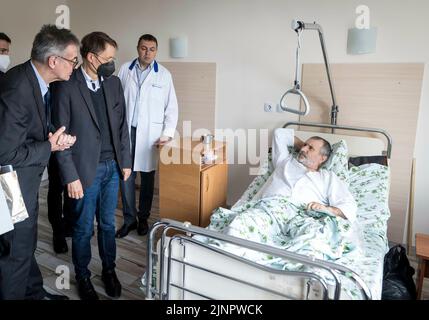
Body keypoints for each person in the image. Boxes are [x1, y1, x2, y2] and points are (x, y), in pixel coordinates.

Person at [0, 24, 78, 300]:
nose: (75, 66)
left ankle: (33, 293)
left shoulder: (38, 82)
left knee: (26, 245)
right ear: (53, 61)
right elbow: (5, 154)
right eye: (73, 59)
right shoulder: (19, 86)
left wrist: (51, 141)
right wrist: (50, 146)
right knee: (15, 253)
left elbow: (24, 133)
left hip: (25, 181)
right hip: (10, 186)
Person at [52, 32, 132, 300]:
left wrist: (126, 161)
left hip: (112, 168)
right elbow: (60, 136)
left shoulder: (113, 83)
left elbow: (122, 126)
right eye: (108, 58)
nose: (112, 63)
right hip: (85, 171)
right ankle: (83, 276)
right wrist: (70, 176)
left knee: (108, 225)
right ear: (91, 57)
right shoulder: (67, 85)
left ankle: (109, 270)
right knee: (83, 228)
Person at [116, 34, 178, 238]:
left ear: (156, 51)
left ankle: (143, 218)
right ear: (137, 48)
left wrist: (167, 134)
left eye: (152, 49)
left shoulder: (164, 75)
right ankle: (129, 219)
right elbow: (116, 101)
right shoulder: (126, 69)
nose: (147, 52)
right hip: (127, 131)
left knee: (148, 179)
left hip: (150, 135)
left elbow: (172, 108)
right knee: (126, 176)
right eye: (144, 48)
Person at [254, 128, 357, 221]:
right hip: (266, 211)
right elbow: (279, 134)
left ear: (322, 158)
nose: (303, 149)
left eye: (310, 148)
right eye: (304, 145)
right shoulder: (285, 161)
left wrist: (326, 209)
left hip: (301, 219)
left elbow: (348, 206)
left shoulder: (327, 178)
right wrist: (302, 146)